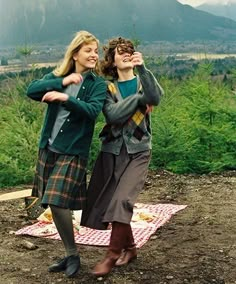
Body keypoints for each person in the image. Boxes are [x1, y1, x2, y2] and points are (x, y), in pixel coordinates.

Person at [80, 37, 164, 276]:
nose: (126, 54)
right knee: (108, 201)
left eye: (129, 50)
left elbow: (155, 97)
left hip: (139, 151)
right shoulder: (107, 88)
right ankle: (131, 248)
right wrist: (139, 100)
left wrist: (143, 69)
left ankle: (111, 255)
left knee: (122, 200)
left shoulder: (143, 80)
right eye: (120, 52)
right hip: (112, 152)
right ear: (112, 61)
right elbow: (113, 115)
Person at [26, 30, 106, 278]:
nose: (94, 55)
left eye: (96, 51)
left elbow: (92, 111)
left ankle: (73, 255)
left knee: (59, 202)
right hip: (48, 148)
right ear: (75, 53)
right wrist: (62, 82)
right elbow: (32, 90)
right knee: (50, 202)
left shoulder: (97, 84)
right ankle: (70, 253)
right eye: (88, 50)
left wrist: (64, 98)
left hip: (73, 151)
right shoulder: (58, 76)